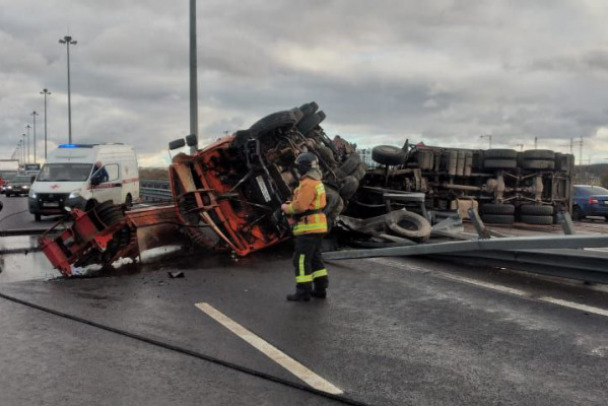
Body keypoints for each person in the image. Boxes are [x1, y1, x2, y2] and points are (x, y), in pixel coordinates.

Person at [281, 152, 329, 302]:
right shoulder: (317, 181)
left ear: (304, 167)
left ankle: (303, 292)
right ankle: (320, 289)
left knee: (301, 260)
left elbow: (300, 206)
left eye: (299, 166)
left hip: (308, 228)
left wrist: (286, 208)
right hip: (318, 226)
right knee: (315, 258)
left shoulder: (308, 183)